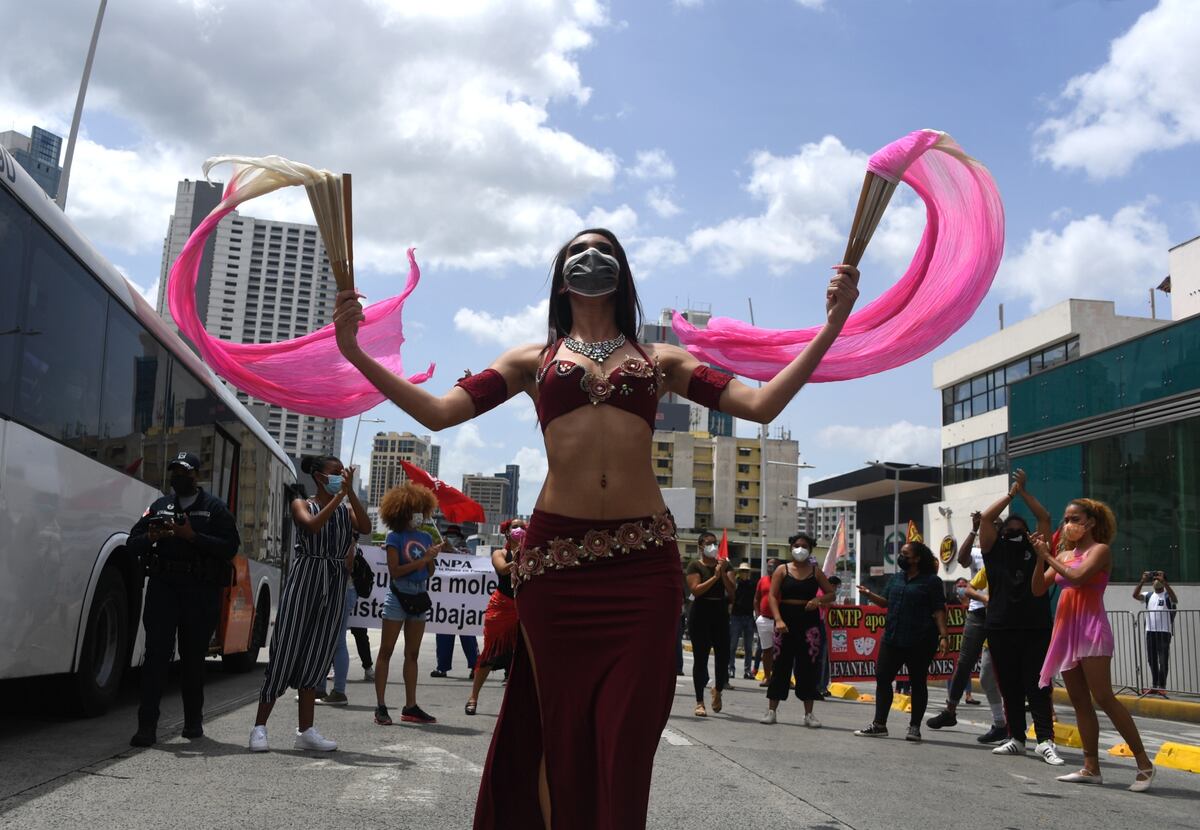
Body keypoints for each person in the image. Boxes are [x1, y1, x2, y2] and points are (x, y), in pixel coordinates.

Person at [333, 227, 860, 830]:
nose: (591, 259)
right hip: (556, 569)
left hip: (643, 569)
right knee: (560, 737)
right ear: (561, 277)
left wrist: (832, 326)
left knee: (628, 740)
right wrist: (355, 351)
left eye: (604, 250)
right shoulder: (531, 361)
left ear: (623, 272)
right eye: (578, 251)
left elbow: (761, 405)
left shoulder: (662, 362)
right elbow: (437, 412)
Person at [249, 455, 370, 752]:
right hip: (306, 578)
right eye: (334, 472)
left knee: (318, 653)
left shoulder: (345, 510)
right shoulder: (302, 503)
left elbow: (365, 526)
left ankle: (306, 731)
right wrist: (339, 496)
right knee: (286, 649)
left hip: (334, 582)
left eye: (343, 472)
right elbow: (312, 526)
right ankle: (259, 727)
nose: (340, 476)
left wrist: (349, 493)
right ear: (318, 476)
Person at [1035, 499, 1154, 791]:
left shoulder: (1100, 551)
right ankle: (1091, 767)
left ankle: (1144, 764)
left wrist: (1048, 557)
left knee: (1103, 697)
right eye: (1065, 519)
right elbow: (1038, 588)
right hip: (1067, 631)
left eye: (1074, 518)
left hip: (1091, 630)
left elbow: (1077, 578)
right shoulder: (1062, 553)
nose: (1067, 524)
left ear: (1090, 522)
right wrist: (1042, 557)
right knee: (1079, 702)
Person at [127, 451, 240, 747]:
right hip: (163, 588)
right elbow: (132, 542)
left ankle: (193, 723)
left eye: (185, 472)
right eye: (175, 471)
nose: (179, 476)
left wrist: (191, 536)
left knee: (192, 661)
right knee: (155, 659)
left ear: (196, 475)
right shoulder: (159, 506)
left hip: (199, 591)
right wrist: (151, 537)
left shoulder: (214, 509)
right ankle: (146, 727)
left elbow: (229, 547)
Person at [974, 470, 1064, 766]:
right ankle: (1016, 738)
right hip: (1000, 626)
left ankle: (1045, 741)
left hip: (1035, 625)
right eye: (1008, 528)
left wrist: (1024, 493)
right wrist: (1011, 495)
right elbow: (987, 519)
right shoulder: (993, 549)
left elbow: (1046, 517)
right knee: (1010, 686)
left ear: (1027, 533)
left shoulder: (1036, 549)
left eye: (1019, 527)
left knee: (1038, 685)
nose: (1013, 530)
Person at [853, 541, 949, 742]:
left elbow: (939, 609)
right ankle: (879, 724)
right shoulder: (897, 578)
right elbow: (886, 602)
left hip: (921, 640)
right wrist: (869, 595)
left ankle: (914, 727)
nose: (901, 557)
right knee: (882, 677)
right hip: (893, 637)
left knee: (917, 682)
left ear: (917, 559)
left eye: (906, 554)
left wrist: (943, 635)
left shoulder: (931, 581)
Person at [373, 483, 444, 726]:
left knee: (412, 654)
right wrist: (423, 559)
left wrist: (431, 559)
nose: (419, 515)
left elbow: (429, 572)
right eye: (414, 510)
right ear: (402, 512)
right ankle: (381, 706)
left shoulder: (426, 537)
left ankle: (410, 705)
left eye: (420, 510)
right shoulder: (394, 537)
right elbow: (395, 571)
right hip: (398, 596)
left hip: (418, 594)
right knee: (386, 651)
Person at [927, 511, 994, 730]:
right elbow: (962, 559)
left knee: (997, 669)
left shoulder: (1004, 553)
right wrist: (973, 529)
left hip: (1002, 613)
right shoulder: (976, 551)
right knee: (964, 663)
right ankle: (950, 711)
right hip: (977, 612)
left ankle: (1004, 722)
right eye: (985, 527)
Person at [760, 533, 836, 726]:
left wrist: (818, 600)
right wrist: (777, 619)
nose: (799, 549)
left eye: (804, 546)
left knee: (808, 667)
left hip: (809, 622)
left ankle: (808, 714)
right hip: (785, 619)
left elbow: (831, 594)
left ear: (810, 550)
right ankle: (771, 711)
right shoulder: (782, 570)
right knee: (781, 666)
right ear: (791, 547)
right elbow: (772, 597)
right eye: (796, 545)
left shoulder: (815, 571)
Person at [466, 519, 527, 715]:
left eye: (523, 527)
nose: (519, 530)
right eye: (515, 527)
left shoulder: (533, 553)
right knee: (490, 654)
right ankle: (473, 697)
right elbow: (502, 569)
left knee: (524, 657)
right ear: (507, 532)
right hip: (501, 608)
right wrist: (520, 556)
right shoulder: (499, 553)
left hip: (524, 608)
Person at [687, 531, 736, 716]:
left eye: (715, 543)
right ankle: (699, 702)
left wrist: (722, 573)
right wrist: (714, 577)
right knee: (701, 658)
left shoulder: (725, 565)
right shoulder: (695, 566)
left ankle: (718, 690)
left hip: (720, 612)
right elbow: (696, 590)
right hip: (700, 613)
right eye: (709, 543)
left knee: (723, 657)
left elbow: (732, 592)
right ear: (700, 546)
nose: (713, 547)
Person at [961, 566, 1008, 744]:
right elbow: (969, 588)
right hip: (994, 630)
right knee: (986, 678)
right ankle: (1000, 724)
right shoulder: (990, 566)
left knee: (1011, 683)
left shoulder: (1023, 563)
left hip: (1016, 633)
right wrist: (984, 597)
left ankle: (1014, 730)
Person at [1133, 569, 1178, 694]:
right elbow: (1135, 595)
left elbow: (1175, 599)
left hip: (1164, 632)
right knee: (1151, 659)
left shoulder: (1167, 595)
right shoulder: (1148, 595)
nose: (1156, 580)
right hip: (1150, 631)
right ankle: (1155, 685)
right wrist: (1142, 581)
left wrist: (1165, 583)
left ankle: (1162, 686)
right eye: (1154, 578)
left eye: (1159, 577)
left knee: (1163, 660)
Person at [753, 556, 781, 687]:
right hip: (764, 620)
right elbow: (757, 599)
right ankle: (767, 677)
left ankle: (783, 678)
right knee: (767, 650)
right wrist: (758, 616)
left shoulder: (784, 581)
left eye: (774, 565)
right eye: (769, 566)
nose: (771, 568)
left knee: (781, 651)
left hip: (779, 621)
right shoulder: (762, 580)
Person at [728, 562, 757, 680]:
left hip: (749, 617)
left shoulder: (752, 584)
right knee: (733, 645)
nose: (745, 573)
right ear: (739, 572)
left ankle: (747, 671)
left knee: (748, 647)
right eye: (743, 571)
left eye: (746, 571)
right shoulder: (736, 584)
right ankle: (731, 669)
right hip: (736, 616)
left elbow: (755, 599)